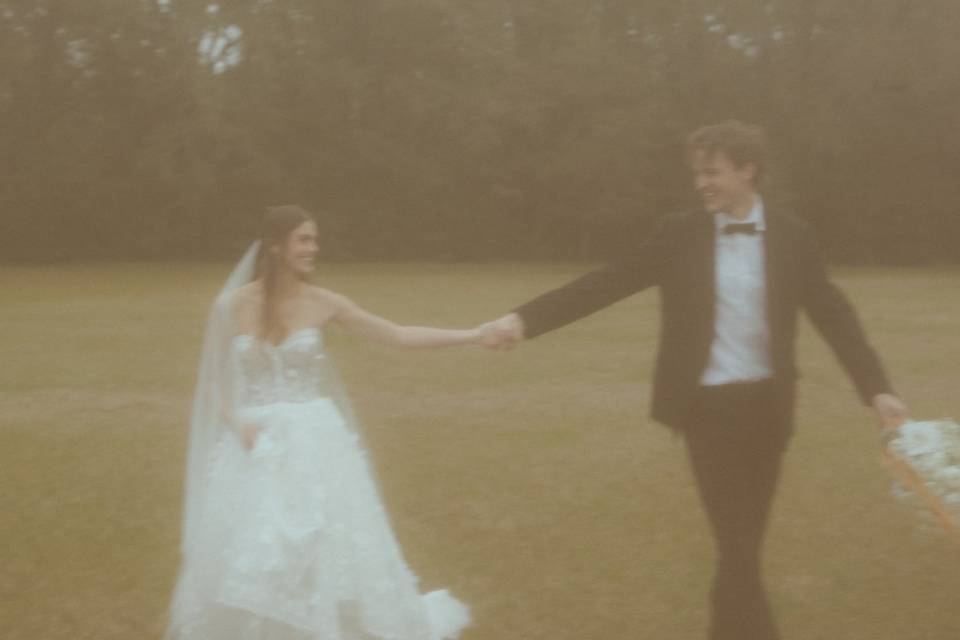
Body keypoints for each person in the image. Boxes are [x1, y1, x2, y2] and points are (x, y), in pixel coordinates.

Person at [480, 121, 910, 640]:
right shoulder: (678, 234)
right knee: (737, 544)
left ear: (748, 170)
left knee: (743, 547)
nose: (701, 183)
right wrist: (523, 321)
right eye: (697, 173)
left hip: (769, 411)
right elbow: (607, 282)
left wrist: (876, 388)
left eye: (712, 172)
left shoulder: (794, 236)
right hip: (706, 411)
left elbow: (832, 313)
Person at [165, 205, 474, 640]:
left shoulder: (325, 303)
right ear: (275, 245)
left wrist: (475, 335)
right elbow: (213, 382)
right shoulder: (233, 304)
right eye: (304, 239)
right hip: (255, 448)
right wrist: (237, 425)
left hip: (315, 444)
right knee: (255, 548)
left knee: (324, 545)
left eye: (315, 239)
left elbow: (399, 335)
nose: (314, 248)